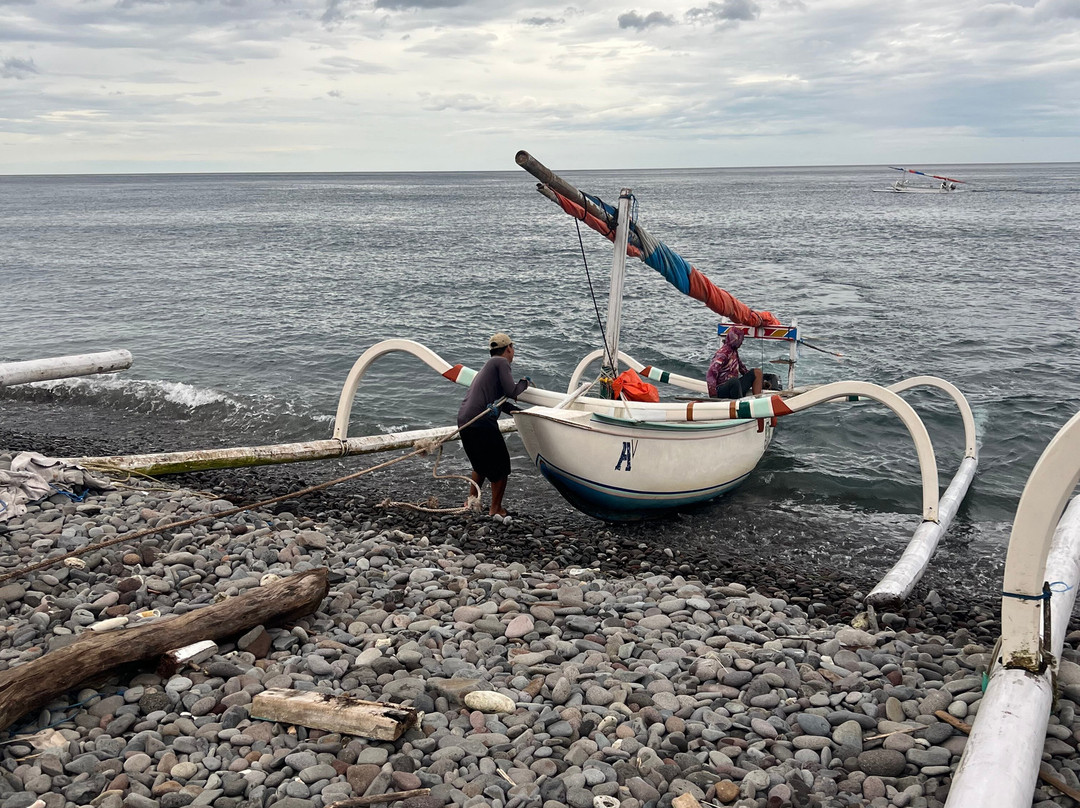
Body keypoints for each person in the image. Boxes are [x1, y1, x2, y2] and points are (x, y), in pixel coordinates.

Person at [457, 332, 530, 517]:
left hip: (465, 420)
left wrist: (521, 413)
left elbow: (500, 401)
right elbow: (511, 391)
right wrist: (525, 383)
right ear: (509, 348)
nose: (513, 353)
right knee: (502, 467)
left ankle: (471, 502)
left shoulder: (487, 368)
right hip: (480, 421)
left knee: (480, 465)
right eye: (513, 349)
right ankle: (495, 509)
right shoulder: (501, 362)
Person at [707, 328, 762, 399]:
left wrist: (760, 382)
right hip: (722, 388)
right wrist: (713, 394)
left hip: (734, 387)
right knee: (734, 381)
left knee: (757, 372)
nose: (741, 342)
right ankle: (739, 404)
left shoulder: (734, 352)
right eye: (740, 340)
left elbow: (743, 370)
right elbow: (711, 373)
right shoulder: (722, 354)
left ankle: (757, 400)